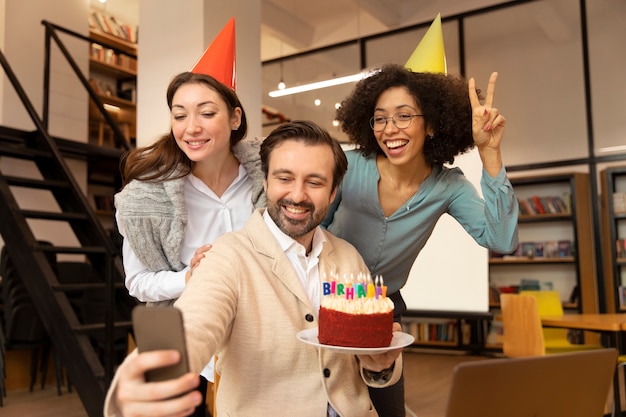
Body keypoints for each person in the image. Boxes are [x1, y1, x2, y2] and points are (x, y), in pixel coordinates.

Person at [103, 120, 404, 417]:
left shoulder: (349, 258)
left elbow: (367, 365)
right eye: (284, 178)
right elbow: (193, 323)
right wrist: (148, 376)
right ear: (265, 182)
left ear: (334, 190)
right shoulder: (228, 256)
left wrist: (380, 367)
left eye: (314, 182)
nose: (297, 195)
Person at [322, 64, 519, 417]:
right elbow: (309, 232)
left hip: (384, 308)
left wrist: (490, 155)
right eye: (379, 118)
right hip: (325, 300)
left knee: (387, 409)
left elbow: (501, 238)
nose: (389, 129)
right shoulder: (347, 167)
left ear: (431, 125)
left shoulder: (448, 186)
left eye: (403, 116)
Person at [114, 71, 265, 417]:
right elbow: (136, 283)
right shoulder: (143, 199)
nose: (191, 127)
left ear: (235, 117)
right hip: (174, 328)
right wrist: (188, 277)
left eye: (207, 113)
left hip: (255, 329)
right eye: (180, 115)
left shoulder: (269, 179)